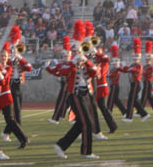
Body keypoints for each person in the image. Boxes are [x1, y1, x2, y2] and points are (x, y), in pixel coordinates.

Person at [51, 20, 99, 159]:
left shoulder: (85, 61)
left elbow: (95, 73)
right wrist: (74, 61)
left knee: (80, 123)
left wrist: (86, 60)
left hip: (85, 94)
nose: (79, 52)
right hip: (75, 95)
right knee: (87, 123)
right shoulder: (69, 63)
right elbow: (61, 72)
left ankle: (61, 145)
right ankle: (86, 152)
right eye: (76, 50)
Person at [1, 26, 33, 142]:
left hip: (19, 85)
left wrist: (19, 57)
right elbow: (4, 63)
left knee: (18, 110)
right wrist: (10, 58)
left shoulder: (19, 59)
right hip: (10, 85)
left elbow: (29, 68)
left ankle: (6, 132)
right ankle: (17, 135)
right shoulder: (8, 60)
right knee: (16, 112)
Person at [121, 38, 149, 122]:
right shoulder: (133, 64)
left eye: (137, 57)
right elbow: (126, 70)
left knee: (131, 100)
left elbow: (133, 70)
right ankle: (144, 114)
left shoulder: (139, 65)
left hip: (136, 83)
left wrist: (126, 67)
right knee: (134, 100)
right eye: (134, 57)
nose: (135, 59)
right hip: (133, 83)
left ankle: (129, 117)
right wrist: (121, 67)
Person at [140, 40, 153, 116]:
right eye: (146, 59)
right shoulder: (145, 66)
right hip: (145, 81)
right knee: (149, 97)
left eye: (148, 59)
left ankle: (140, 110)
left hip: (148, 81)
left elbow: (148, 74)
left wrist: (142, 73)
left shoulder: (150, 67)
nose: (147, 60)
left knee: (144, 95)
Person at [106, 44, 126, 115]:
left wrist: (107, 75)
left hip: (115, 85)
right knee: (116, 100)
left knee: (111, 99)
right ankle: (124, 111)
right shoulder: (113, 69)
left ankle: (109, 111)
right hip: (113, 85)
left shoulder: (117, 69)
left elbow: (112, 75)